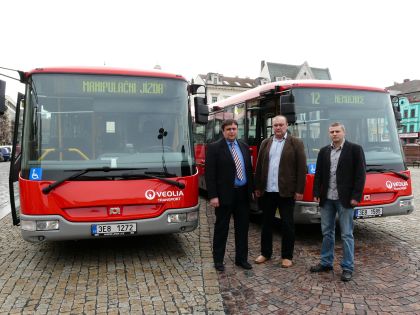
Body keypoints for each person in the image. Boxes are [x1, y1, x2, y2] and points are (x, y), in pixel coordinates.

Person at [310, 122, 366, 282]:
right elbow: (319, 175)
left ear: (343, 132)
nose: (334, 134)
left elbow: (360, 175)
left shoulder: (355, 149)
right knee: (327, 232)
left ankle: (348, 267)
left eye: (337, 131)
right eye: (331, 132)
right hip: (327, 198)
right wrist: (316, 193)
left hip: (346, 199)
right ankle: (326, 262)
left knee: (347, 234)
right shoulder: (323, 151)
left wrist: (356, 196)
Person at [254, 115, 307, 268]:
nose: (278, 127)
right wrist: (258, 187)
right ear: (272, 126)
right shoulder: (266, 143)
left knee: (287, 224)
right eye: (275, 125)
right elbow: (259, 167)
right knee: (266, 223)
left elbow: (301, 168)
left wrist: (299, 190)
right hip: (268, 191)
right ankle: (265, 253)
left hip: (287, 191)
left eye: (281, 125)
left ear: (286, 126)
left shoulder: (296, 143)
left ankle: (287, 256)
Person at [205, 119, 254, 272]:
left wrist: (251, 190)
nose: (232, 131)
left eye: (234, 129)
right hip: (224, 195)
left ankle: (241, 259)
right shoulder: (214, 148)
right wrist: (213, 196)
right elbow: (210, 174)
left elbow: (248, 169)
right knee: (221, 228)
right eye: (229, 129)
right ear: (223, 131)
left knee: (242, 228)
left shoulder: (244, 146)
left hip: (242, 194)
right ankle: (218, 260)